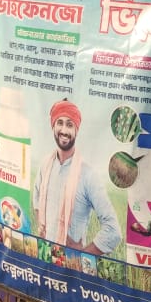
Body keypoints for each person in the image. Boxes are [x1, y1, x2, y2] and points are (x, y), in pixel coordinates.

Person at [32, 99, 122, 256]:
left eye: (69, 125)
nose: (64, 130)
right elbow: (37, 202)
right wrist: (44, 231)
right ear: (53, 126)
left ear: (76, 130)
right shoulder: (45, 165)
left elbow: (114, 231)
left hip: (71, 266)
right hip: (43, 256)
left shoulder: (88, 175)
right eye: (60, 123)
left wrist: (82, 257)